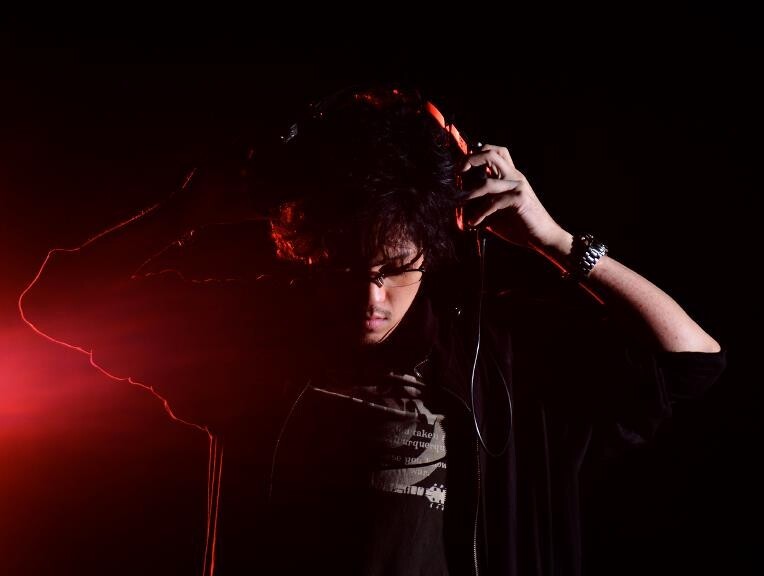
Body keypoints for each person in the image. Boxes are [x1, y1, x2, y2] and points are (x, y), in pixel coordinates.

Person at [24, 84, 725, 575]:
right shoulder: (252, 342)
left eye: (393, 268)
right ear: (308, 249)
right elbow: (55, 301)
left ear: (433, 249)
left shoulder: (499, 361)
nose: (369, 295)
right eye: (343, 268)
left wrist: (555, 240)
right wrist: (188, 210)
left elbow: (690, 361)